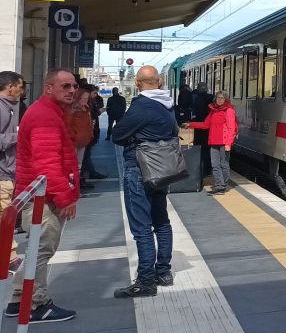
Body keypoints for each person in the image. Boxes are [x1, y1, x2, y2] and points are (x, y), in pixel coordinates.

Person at [7, 69, 79, 323]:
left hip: (41, 194)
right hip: (44, 198)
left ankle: (18, 300)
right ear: (49, 88)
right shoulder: (45, 116)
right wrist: (64, 197)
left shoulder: (47, 111)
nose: (72, 91)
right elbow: (47, 163)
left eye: (73, 86)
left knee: (36, 248)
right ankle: (36, 304)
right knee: (41, 249)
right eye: (65, 86)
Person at [111, 66, 176, 298]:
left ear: (138, 83)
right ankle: (164, 272)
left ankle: (146, 281)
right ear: (158, 82)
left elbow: (117, 135)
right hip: (162, 170)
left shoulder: (141, 106)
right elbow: (172, 132)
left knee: (141, 227)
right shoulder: (168, 105)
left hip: (139, 170)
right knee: (161, 221)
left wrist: (135, 137)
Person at [184, 91, 237, 195]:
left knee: (224, 165)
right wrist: (190, 124)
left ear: (226, 99)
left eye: (222, 98)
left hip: (224, 142)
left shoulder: (229, 111)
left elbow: (232, 128)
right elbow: (206, 124)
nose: (219, 100)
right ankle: (219, 186)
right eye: (218, 98)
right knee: (215, 165)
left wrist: (228, 143)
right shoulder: (213, 111)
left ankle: (222, 185)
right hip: (214, 141)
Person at [0, 71, 25, 273]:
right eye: (20, 86)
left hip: (8, 170)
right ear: (10, 87)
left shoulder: (11, 108)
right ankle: (9, 258)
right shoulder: (1, 108)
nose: (22, 90)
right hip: (2, 173)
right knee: (3, 216)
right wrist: (18, 135)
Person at [67, 89, 95, 192]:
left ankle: (76, 187)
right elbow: (68, 124)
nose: (85, 100)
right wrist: (73, 136)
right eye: (83, 98)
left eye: (87, 98)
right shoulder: (72, 110)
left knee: (79, 164)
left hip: (83, 140)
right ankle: (72, 187)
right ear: (77, 98)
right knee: (72, 166)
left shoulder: (86, 108)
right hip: (75, 141)